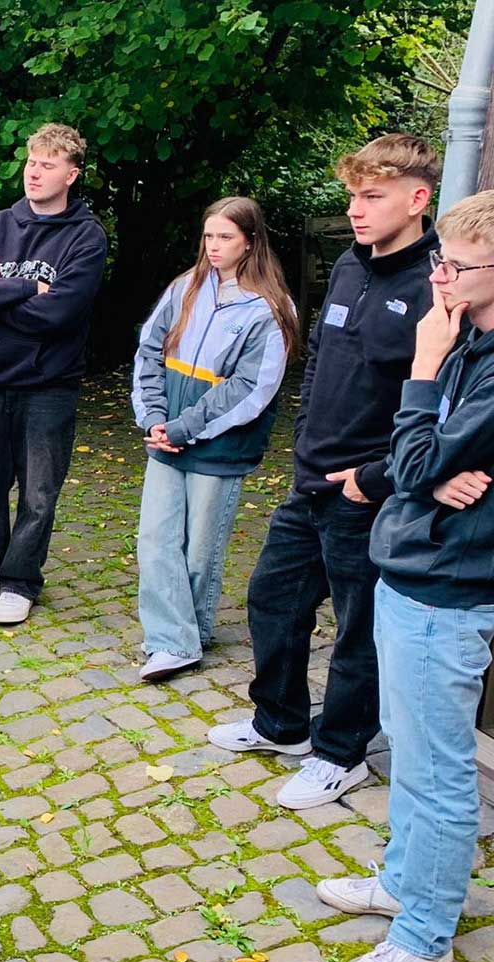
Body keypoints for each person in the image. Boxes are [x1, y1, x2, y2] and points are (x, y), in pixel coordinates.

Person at [207, 135, 441, 811]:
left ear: (417, 198)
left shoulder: (436, 282)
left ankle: (341, 754)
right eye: (352, 196)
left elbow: (443, 403)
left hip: (368, 491)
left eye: (373, 197)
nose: (357, 210)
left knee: (358, 627)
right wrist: (305, 443)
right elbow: (322, 363)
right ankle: (278, 723)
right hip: (309, 478)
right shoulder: (349, 264)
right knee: (272, 599)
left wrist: (379, 476)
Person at [316, 190, 494, 962]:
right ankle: (400, 881)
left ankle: (424, 932)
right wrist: (425, 470)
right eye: (440, 262)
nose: (441, 279)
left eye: (456, 266)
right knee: (410, 748)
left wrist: (422, 373)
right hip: (410, 568)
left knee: (438, 772)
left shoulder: (459, 355)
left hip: (449, 590)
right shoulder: (466, 341)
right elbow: (416, 458)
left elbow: (417, 457)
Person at [0, 122, 110, 625]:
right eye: (31, 162)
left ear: (71, 174)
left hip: (49, 387)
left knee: (39, 492)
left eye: (48, 165)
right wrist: (24, 291)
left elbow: (61, 314)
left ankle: (21, 579)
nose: (35, 173)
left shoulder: (86, 237)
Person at [130, 197, 296, 682]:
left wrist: (186, 427)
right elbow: (149, 352)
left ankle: (191, 632)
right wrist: (155, 419)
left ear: (250, 240)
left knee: (199, 549)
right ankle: (171, 639)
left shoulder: (270, 309)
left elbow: (252, 390)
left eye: (225, 237)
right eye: (209, 236)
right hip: (165, 438)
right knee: (157, 539)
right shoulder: (185, 288)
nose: (215, 246)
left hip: (218, 446)